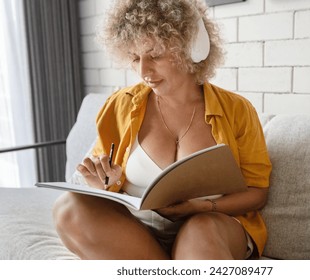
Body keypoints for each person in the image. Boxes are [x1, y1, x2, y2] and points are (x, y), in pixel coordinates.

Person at [53, 0, 272, 260]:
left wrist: (200, 207)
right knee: (68, 209)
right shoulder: (120, 105)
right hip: (138, 230)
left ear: (190, 48)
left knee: (200, 229)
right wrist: (103, 183)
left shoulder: (237, 110)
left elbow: (257, 193)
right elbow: (106, 177)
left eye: (154, 55)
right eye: (135, 58)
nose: (143, 71)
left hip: (212, 223)